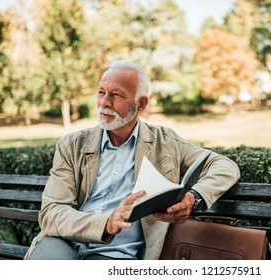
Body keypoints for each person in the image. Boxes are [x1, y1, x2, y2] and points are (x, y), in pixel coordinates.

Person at [25, 60, 240, 260]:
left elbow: (225, 166)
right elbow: (51, 213)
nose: (104, 103)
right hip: (63, 243)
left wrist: (194, 198)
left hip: (113, 254)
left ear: (141, 104)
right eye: (101, 92)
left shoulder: (165, 142)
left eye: (116, 95)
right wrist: (105, 223)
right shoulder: (72, 145)